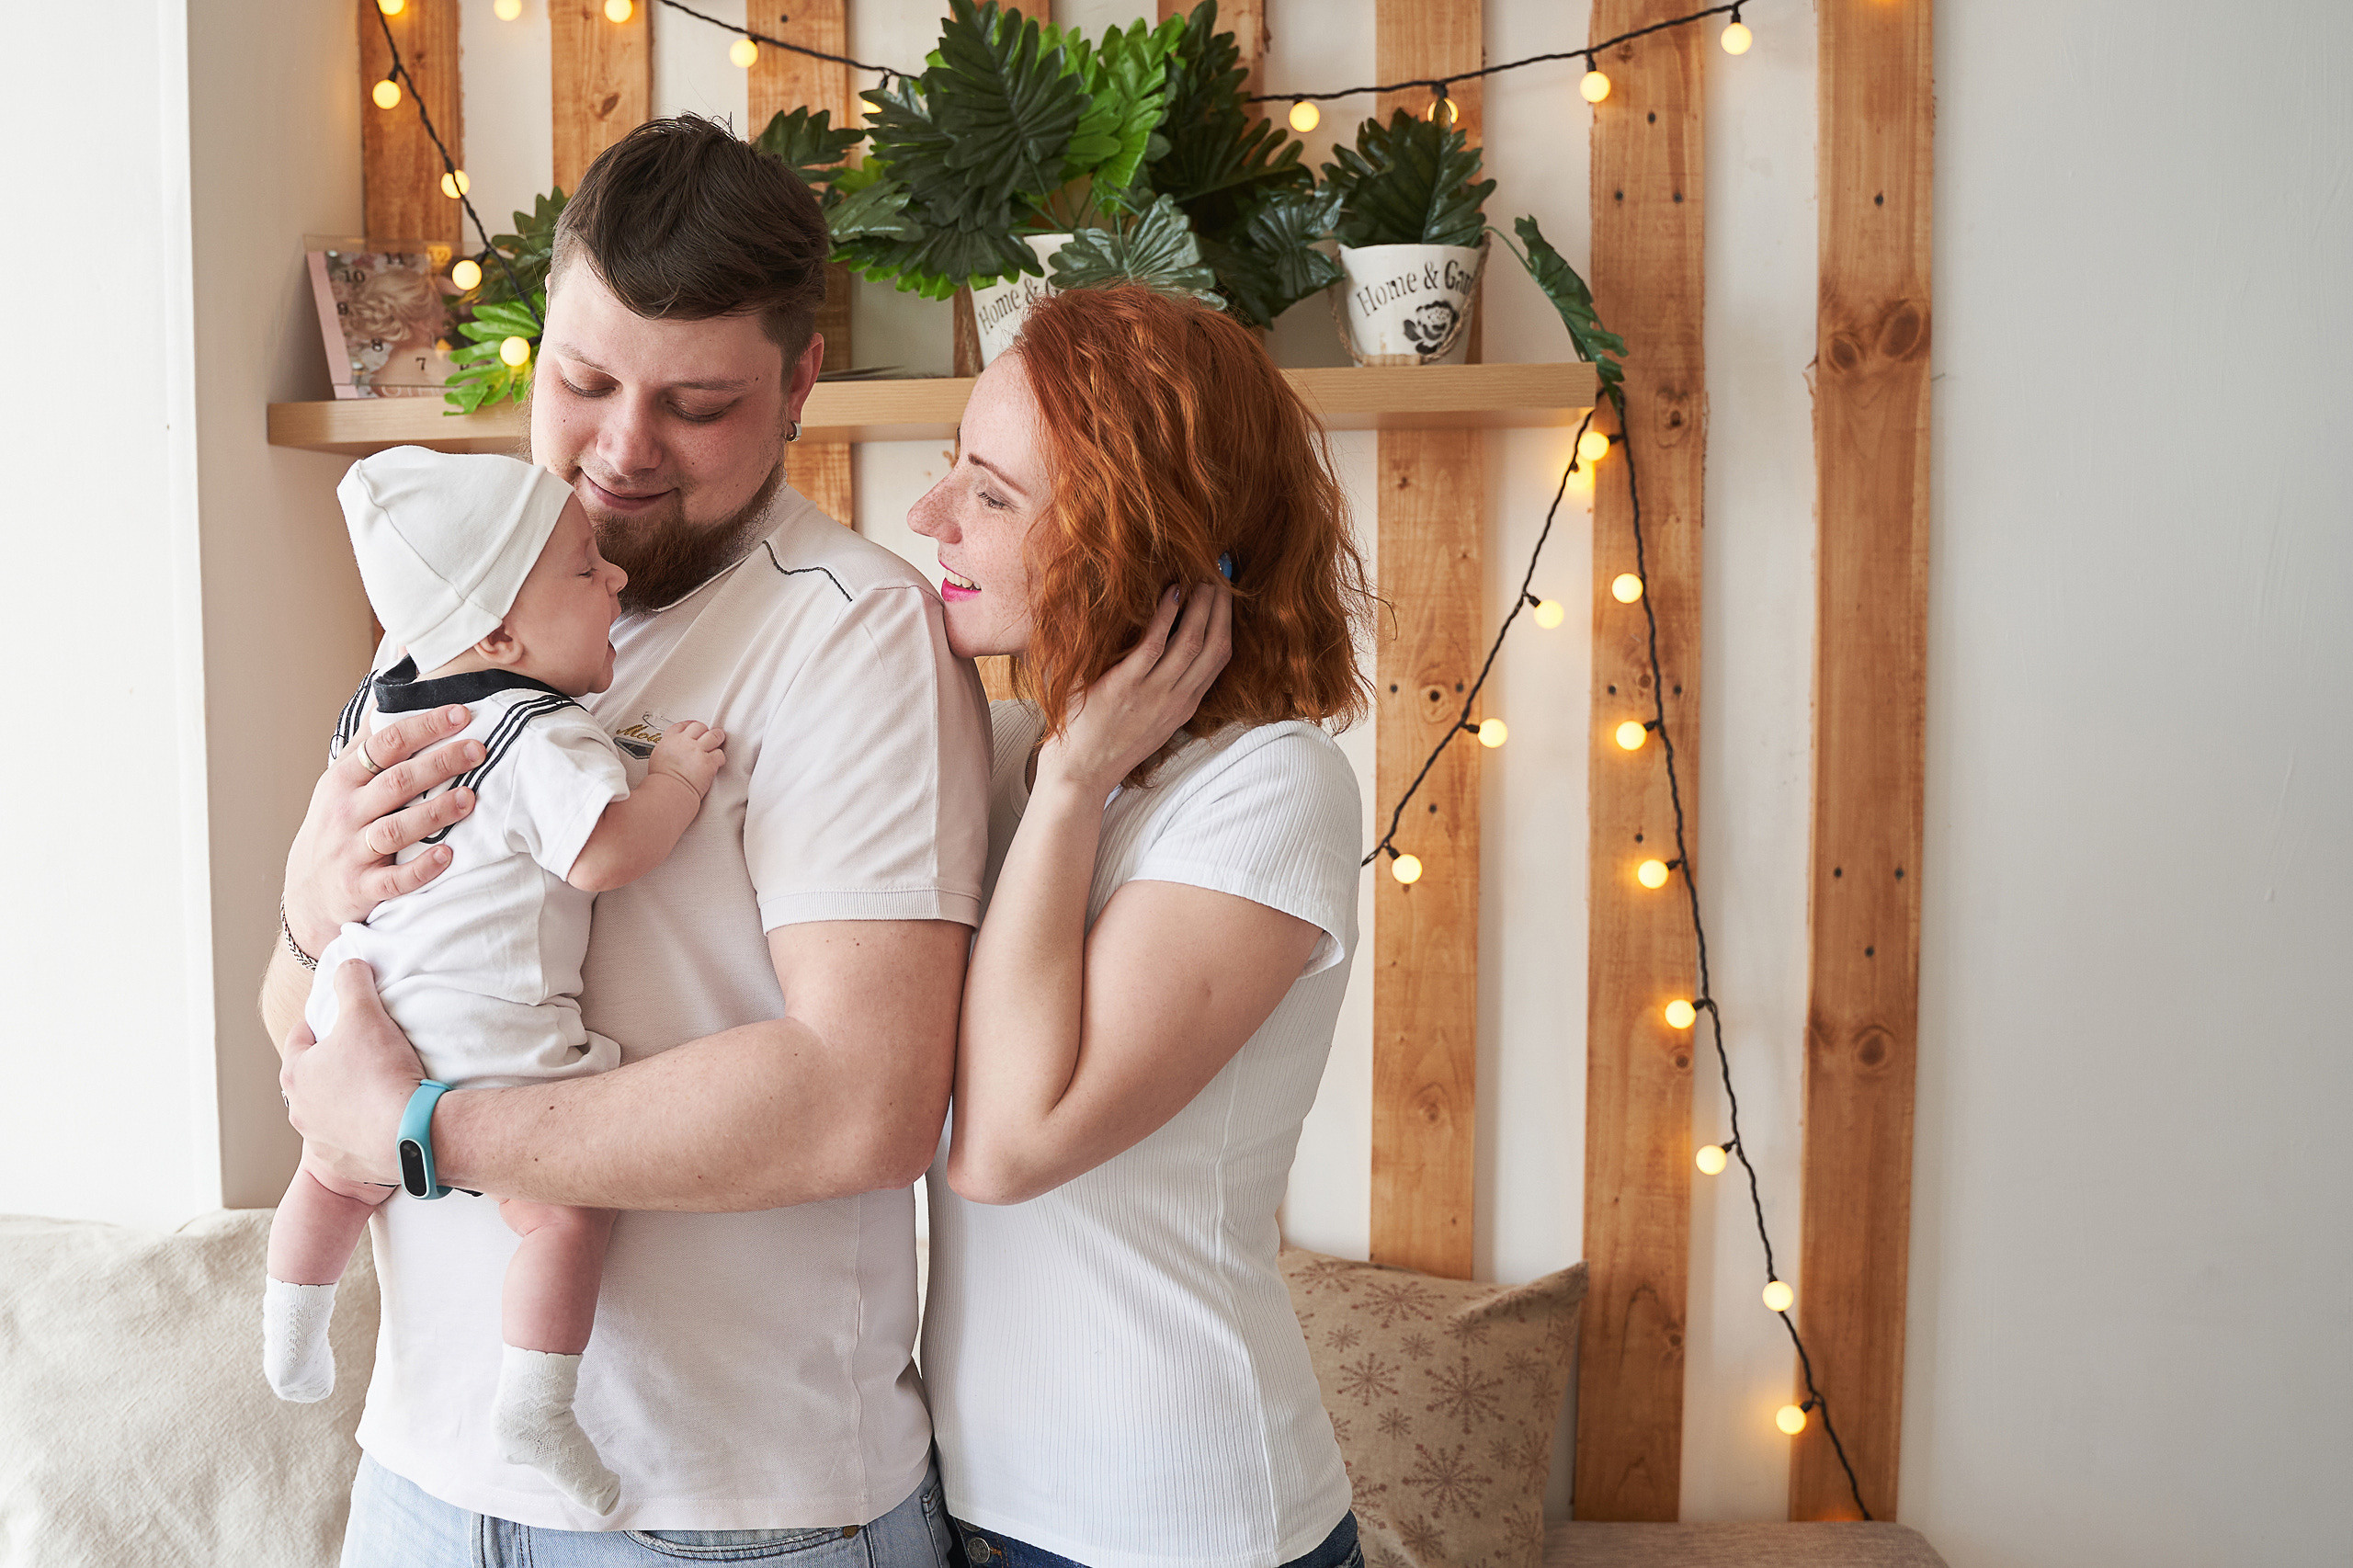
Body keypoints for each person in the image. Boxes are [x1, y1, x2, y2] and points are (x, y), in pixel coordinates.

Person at [267, 116, 987, 1562]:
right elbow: (314, 1032)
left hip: (726, 1511)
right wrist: (303, 913)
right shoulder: (456, 620)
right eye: (585, 381)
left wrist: (424, 1136)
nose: (620, 450)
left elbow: (863, 1097)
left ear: (799, 386)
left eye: (696, 404)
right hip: (421, 1475)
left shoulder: (852, 636)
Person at [909, 286, 1374, 1568]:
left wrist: (1072, 790)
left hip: (1178, 1522)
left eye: (993, 496)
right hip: (975, 1503)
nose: (928, 516)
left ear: (1137, 543)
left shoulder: (1271, 790)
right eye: (954, 467)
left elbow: (1008, 1146)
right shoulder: (1006, 756)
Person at [265, 448, 727, 1521]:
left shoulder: (379, 705)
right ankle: (536, 1400)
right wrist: (675, 778)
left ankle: (291, 1329)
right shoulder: (538, 728)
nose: (613, 577)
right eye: (583, 568)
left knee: (331, 1175)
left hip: (353, 1005)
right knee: (564, 1216)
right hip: (486, 1036)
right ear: (503, 637)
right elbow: (609, 851)